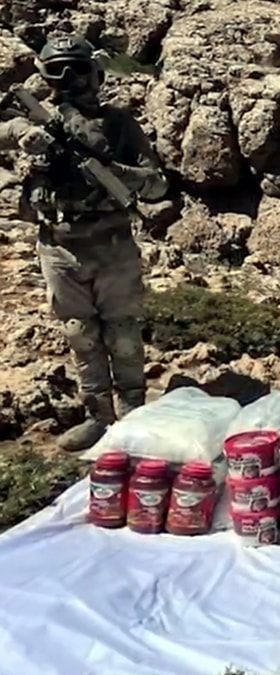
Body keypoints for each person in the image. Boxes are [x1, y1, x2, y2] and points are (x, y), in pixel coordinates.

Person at [0, 35, 168, 450]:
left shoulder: (118, 123)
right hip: (59, 245)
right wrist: (22, 133)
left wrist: (114, 173)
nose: (69, 80)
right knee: (79, 334)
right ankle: (98, 417)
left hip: (111, 244)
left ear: (94, 73)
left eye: (76, 69)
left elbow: (157, 184)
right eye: (57, 71)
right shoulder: (39, 120)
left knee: (123, 334)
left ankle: (134, 417)